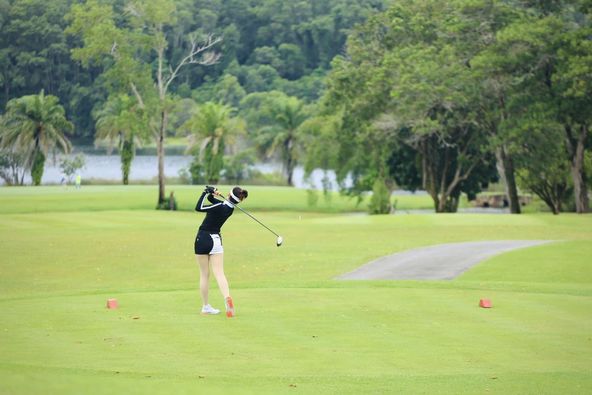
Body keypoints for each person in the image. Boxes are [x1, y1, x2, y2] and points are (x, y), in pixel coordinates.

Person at [194, 185, 248, 317]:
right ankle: (227, 298)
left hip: (203, 238)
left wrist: (204, 192)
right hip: (216, 240)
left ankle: (206, 306)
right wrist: (212, 193)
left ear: (229, 195)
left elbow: (199, 207)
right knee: (219, 273)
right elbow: (214, 201)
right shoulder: (228, 208)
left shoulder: (220, 207)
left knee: (204, 275)